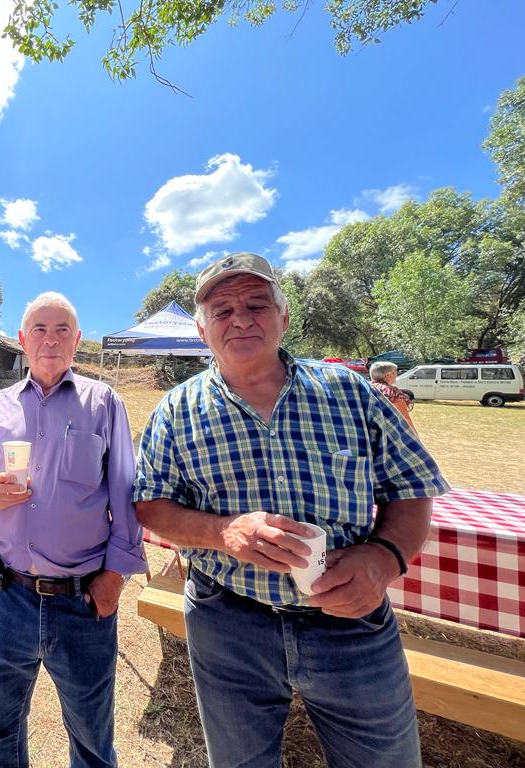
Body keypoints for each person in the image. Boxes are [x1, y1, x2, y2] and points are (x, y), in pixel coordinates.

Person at [134, 253, 448, 768]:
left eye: (257, 304)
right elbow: (150, 505)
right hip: (226, 620)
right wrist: (223, 531)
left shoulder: (352, 393)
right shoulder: (175, 409)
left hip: (351, 623)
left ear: (283, 316)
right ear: (201, 328)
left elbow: (412, 488)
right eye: (222, 309)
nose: (240, 318)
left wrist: (384, 559)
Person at [0, 291, 147, 768]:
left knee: (91, 736)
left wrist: (115, 578)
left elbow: (125, 490)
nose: (50, 339)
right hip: (2, 595)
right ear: (22, 339)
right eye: (39, 329)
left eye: (62, 329)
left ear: (77, 340)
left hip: (81, 600)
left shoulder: (103, 403)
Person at [369, 360, 417, 432]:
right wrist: (417, 439)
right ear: (387, 375)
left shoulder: (366, 387)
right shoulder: (392, 391)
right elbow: (405, 418)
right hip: (388, 432)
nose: (396, 374)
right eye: (395, 372)